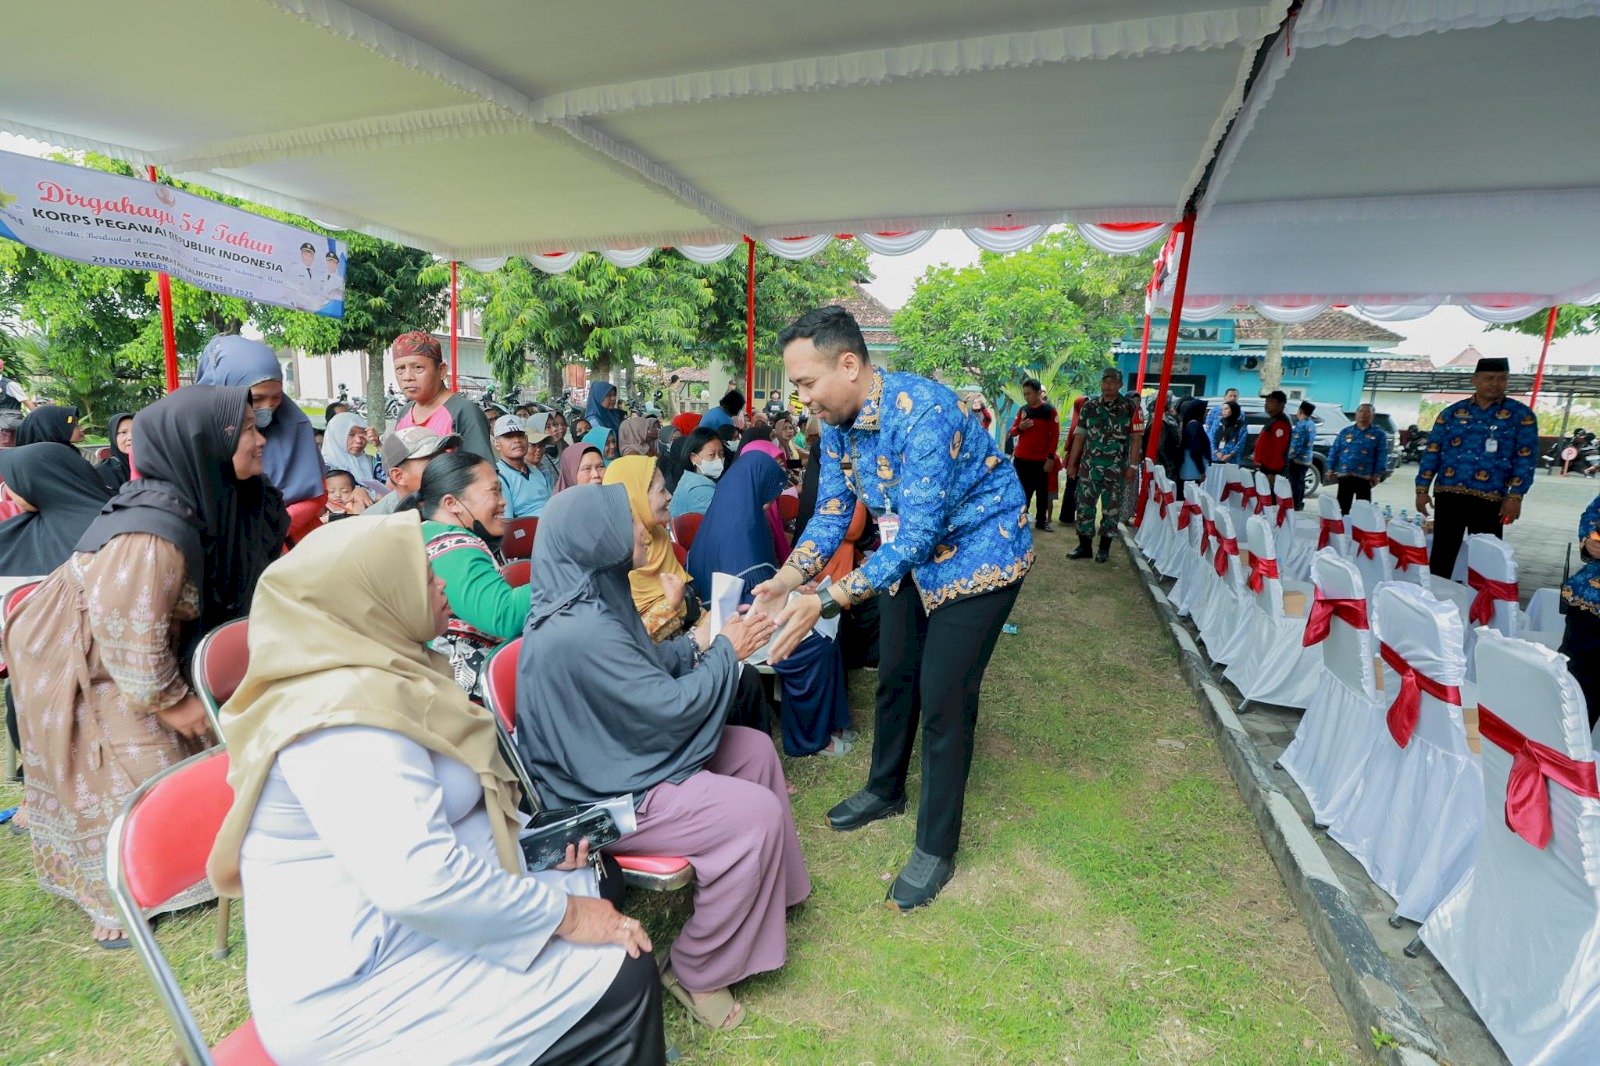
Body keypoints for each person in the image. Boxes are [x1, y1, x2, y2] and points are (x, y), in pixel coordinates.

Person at [206, 513, 661, 1064]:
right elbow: (420, 881)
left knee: (601, 879)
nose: (442, 584)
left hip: (413, 923)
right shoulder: (340, 719)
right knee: (622, 971)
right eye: (425, 576)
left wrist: (526, 853)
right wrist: (564, 917)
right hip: (363, 985)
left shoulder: (387, 667)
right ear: (374, 598)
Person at [755, 305, 1030, 911]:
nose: (802, 399)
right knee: (896, 674)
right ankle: (885, 789)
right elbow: (831, 511)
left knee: (944, 697)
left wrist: (825, 599)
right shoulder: (835, 420)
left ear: (849, 365)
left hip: (980, 551)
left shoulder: (924, 413)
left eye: (806, 383)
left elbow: (918, 533)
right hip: (912, 555)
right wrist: (787, 578)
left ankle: (936, 846)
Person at [516, 485, 807, 1030]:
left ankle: (770, 900)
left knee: (754, 749)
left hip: (620, 754)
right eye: (623, 521)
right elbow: (667, 710)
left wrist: (703, 640)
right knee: (753, 814)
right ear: (591, 538)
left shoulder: (598, 594)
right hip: (603, 793)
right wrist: (728, 651)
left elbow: (645, 666)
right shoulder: (582, 629)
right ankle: (696, 968)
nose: (641, 528)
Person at [5, 386, 286, 947]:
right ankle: (116, 894)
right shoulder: (153, 531)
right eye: (248, 431)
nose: (260, 441)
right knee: (125, 761)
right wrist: (172, 699)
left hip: (137, 641)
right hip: (77, 653)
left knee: (189, 756)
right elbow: (122, 632)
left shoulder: (227, 496)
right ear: (206, 443)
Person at [686, 449, 852, 758]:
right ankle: (809, 739)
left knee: (826, 618)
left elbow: (762, 577)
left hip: (744, 607)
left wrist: (795, 587)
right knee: (814, 643)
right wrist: (793, 595)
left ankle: (832, 721)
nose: (771, 501)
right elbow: (751, 592)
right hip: (733, 621)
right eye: (770, 492)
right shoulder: (740, 527)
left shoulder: (737, 508)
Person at [195, 335, 327, 541]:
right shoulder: (193, 435)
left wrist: (266, 532)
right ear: (224, 390)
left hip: (289, 545)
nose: (268, 408)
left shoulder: (294, 426)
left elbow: (317, 495)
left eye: (277, 397)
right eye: (256, 399)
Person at [1415, 356, 1538, 579]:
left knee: (1487, 558)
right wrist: (1422, 490)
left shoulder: (1521, 415)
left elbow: (1526, 459)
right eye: (1489, 378)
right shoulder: (1452, 413)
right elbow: (1432, 451)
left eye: (1502, 379)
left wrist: (1516, 496)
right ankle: (1434, 603)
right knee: (1442, 554)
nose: (1495, 383)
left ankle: (1483, 610)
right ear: (1475, 380)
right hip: (1449, 493)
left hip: (1491, 498)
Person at [1066, 367, 1140, 563]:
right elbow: (1079, 437)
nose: (1109, 386)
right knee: (1084, 506)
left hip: (1115, 469)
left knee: (1111, 509)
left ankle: (1104, 548)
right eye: (1106, 382)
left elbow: (1136, 439)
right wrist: (1072, 463)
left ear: (1121, 385)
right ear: (1101, 383)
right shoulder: (1089, 407)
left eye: (1114, 382)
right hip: (1089, 467)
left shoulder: (1130, 408)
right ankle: (1084, 546)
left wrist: (1133, 466)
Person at [392, 331, 494, 461]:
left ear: (441, 370)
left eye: (418, 367)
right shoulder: (404, 413)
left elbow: (482, 474)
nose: (407, 377)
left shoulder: (464, 412)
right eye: (400, 369)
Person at [1561, 494, 1600, 728]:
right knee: (1576, 686)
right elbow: (1593, 512)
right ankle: (1571, 758)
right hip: (1591, 599)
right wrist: (1589, 540)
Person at [363, 426, 461, 517]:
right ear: (398, 476)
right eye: (432, 461)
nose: (444, 465)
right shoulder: (374, 523)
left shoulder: (460, 499)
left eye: (444, 456)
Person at [1007, 378, 1060, 532]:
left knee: (1042, 492)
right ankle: (1020, 519)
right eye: (1024, 394)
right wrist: (1020, 427)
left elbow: (1055, 435)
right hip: (1022, 459)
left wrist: (1051, 457)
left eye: (1029, 394)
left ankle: (1041, 522)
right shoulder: (1023, 410)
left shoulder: (1049, 411)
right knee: (1022, 491)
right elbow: (1013, 431)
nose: (1026, 397)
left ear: (1038, 393)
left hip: (1041, 460)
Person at [1327, 404, 1389, 513]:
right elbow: (1335, 449)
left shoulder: (1379, 434)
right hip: (1345, 474)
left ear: (1372, 415)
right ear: (1356, 414)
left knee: (1363, 509)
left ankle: (1360, 530)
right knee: (1342, 508)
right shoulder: (1346, 431)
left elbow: (1382, 455)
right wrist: (1331, 468)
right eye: (1360, 411)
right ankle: (1344, 529)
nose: (1363, 414)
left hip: (1365, 477)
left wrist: (1377, 474)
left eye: (1367, 412)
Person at [493, 414, 552, 520]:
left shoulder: (536, 470)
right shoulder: (498, 477)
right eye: (509, 436)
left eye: (520, 435)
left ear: (526, 439)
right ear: (497, 444)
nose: (517, 440)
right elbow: (507, 523)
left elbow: (552, 503)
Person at [321, 411, 386, 495]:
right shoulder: (324, 467)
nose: (359, 441)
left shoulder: (370, 461)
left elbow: (388, 480)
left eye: (362, 434)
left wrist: (378, 445)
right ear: (337, 436)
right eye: (351, 434)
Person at [1252, 390, 1293, 493]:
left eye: (1270, 402)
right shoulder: (1273, 420)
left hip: (1271, 472)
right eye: (1266, 402)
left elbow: (1279, 449)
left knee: (1269, 504)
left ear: (1281, 405)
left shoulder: (1281, 423)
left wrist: (1273, 472)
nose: (1266, 405)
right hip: (1264, 469)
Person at [1175, 398, 1211, 501]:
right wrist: (1201, 471)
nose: (1206, 414)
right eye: (1205, 411)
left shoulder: (1189, 424)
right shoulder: (1194, 426)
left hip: (1189, 469)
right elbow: (1195, 450)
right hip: (1192, 470)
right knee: (1190, 500)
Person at [1288, 400, 1318, 510]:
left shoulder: (1302, 424)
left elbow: (1296, 444)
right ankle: (1299, 503)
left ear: (1300, 411)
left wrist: (1289, 456)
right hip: (1307, 459)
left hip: (1298, 459)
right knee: (1300, 482)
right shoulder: (1311, 423)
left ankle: (1296, 504)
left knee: (1295, 483)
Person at [96, 411, 134, 491]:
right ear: (113, 437)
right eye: (123, 432)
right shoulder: (105, 471)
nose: (131, 437)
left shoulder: (154, 464)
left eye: (135, 431)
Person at [16, 404, 84, 447]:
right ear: (53, 429)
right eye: (75, 425)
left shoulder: (73, 454)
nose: (82, 429)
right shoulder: (63, 459)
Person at [1209, 399, 1246, 465]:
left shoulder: (1241, 425)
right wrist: (1216, 452)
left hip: (1232, 460)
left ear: (1234, 410)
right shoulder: (1218, 422)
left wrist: (1230, 454)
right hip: (1215, 458)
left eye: (1226, 409)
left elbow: (1241, 442)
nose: (1223, 411)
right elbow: (1211, 437)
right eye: (1223, 409)